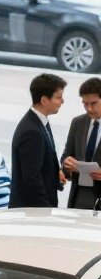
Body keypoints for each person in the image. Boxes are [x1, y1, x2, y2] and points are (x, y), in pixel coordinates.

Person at [9, 72, 66, 209]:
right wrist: (45, 211)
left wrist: (55, 172)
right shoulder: (32, 131)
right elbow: (32, 178)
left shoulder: (40, 122)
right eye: (58, 98)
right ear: (44, 100)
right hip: (32, 211)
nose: (62, 101)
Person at [61, 76, 101, 210]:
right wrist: (67, 164)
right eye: (85, 103)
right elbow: (66, 157)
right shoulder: (77, 123)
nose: (89, 108)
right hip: (79, 198)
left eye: (93, 103)